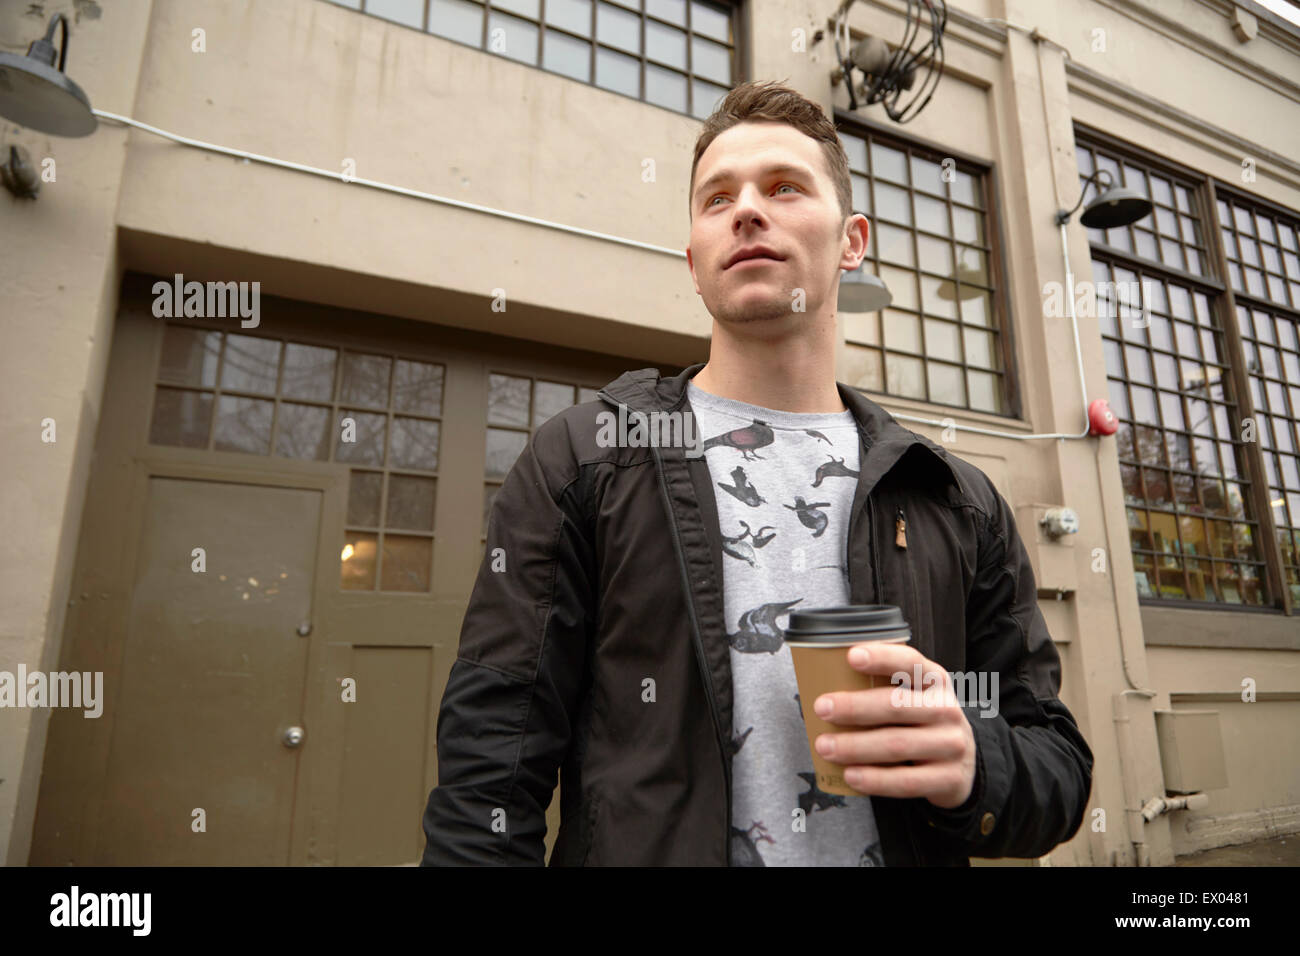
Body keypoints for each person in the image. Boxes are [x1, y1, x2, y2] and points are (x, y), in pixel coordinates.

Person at [420, 79, 1093, 866]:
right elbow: (489, 770)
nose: (746, 210)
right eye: (716, 200)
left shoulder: (953, 497)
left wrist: (977, 765)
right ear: (694, 262)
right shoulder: (587, 457)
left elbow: (1058, 768)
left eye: (783, 187)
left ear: (852, 242)